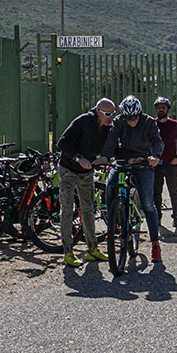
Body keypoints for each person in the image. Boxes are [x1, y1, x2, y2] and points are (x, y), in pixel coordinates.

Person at [93, 95, 165, 263]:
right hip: (123, 161)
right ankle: (113, 223)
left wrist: (155, 156)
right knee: (110, 187)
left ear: (139, 114)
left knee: (148, 204)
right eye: (128, 118)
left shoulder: (149, 122)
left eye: (134, 118)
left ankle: (155, 243)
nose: (131, 121)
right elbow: (111, 142)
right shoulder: (118, 122)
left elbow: (157, 141)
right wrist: (105, 157)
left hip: (143, 163)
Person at [55, 98, 116, 267]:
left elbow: (110, 147)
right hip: (69, 170)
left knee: (88, 209)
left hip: (87, 172)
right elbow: (62, 143)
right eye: (107, 114)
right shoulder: (82, 121)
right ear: (98, 111)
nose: (110, 117)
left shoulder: (107, 128)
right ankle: (68, 252)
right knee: (67, 210)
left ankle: (92, 249)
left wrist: (105, 159)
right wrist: (78, 158)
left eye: (113, 114)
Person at [153, 96, 177, 230]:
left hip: (171, 164)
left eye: (163, 107)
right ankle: (157, 218)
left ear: (167, 110)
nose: (161, 109)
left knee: (173, 192)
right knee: (156, 192)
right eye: (159, 107)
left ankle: (176, 217)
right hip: (155, 164)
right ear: (156, 109)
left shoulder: (174, 125)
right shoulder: (151, 124)